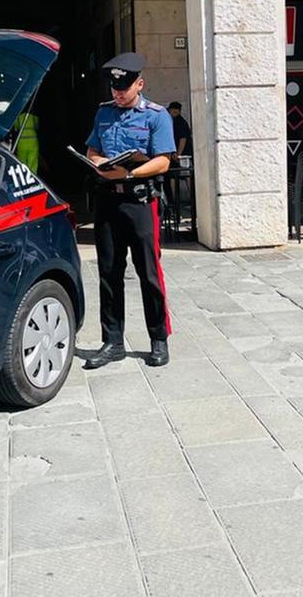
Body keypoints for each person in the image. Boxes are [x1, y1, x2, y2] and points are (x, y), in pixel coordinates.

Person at [82, 52, 177, 369]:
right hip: (108, 201)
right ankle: (113, 342)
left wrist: (130, 174)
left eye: (123, 88)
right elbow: (93, 148)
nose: (118, 93)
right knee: (109, 273)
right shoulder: (104, 112)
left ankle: (158, 338)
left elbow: (163, 160)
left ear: (140, 84)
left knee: (149, 273)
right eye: (114, 88)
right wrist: (97, 162)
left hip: (140, 201)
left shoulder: (156, 116)